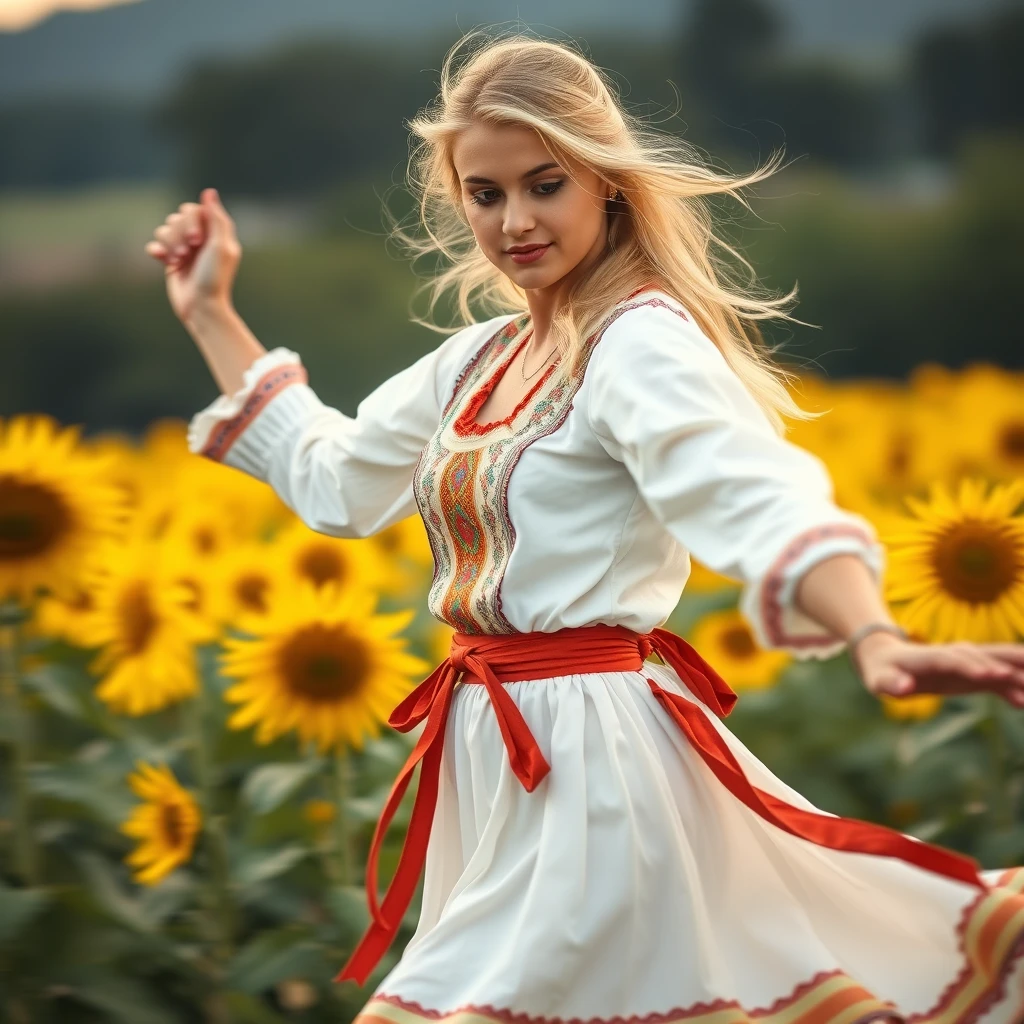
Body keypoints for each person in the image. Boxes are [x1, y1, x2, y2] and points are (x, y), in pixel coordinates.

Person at [145, 29, 1024, 1024]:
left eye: (543, 183)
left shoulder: (637, 342)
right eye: (485, 194)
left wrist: (870, 629)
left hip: (594, 765)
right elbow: (337, 481)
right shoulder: (477, 360)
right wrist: (212, 311)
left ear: (605, 182)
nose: (514, 220)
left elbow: (742, 488)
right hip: (492, 762)